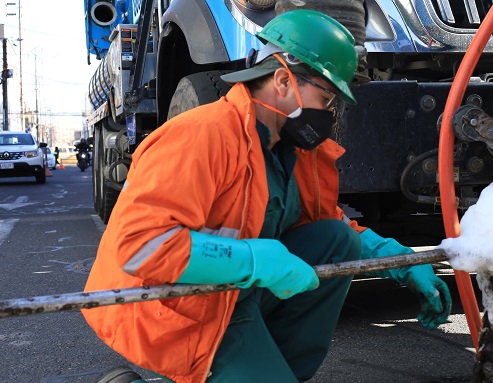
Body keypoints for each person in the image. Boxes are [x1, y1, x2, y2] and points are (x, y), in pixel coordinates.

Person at [84, 10, 451, 383]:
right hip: (178, 307)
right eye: (326, 97)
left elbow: (331, 226)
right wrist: (250, 258)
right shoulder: (202, 137)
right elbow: (138, 248)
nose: (330, 112)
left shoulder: (294, 150)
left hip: (233, 295)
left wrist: (399, 260)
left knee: (334, 241)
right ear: (282, 80)